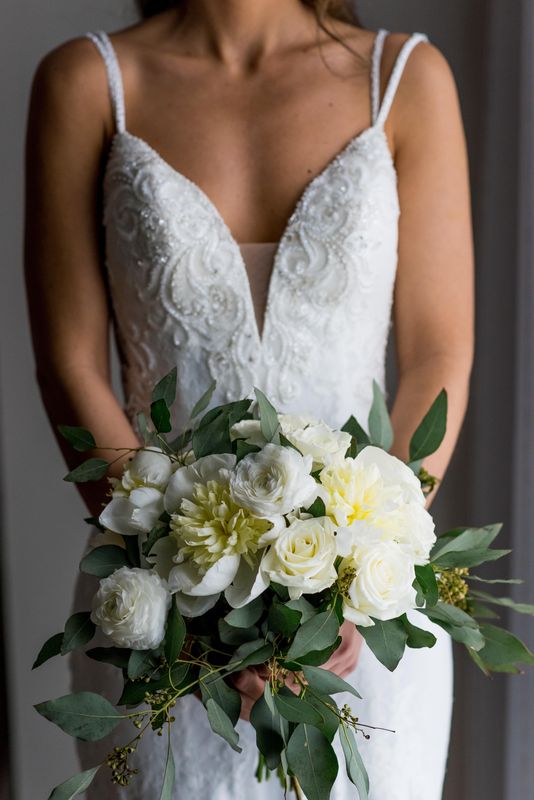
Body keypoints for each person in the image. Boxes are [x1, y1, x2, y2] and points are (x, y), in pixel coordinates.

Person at [24, 1, 474, 797]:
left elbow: (437, 355)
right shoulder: (88, 82)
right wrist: (184, 587)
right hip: (158, 625)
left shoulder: (405, 78)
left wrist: (363, 575)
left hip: (362, 637)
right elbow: (69, 365)